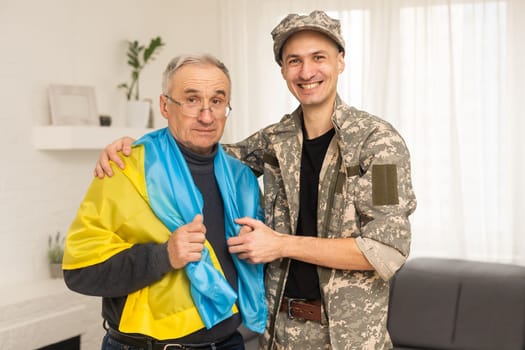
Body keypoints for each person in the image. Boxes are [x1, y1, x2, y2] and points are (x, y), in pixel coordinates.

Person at [94, 11, 417, 350]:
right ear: (283, 71)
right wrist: (135, 148)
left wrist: (281, 244)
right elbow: (200, 151)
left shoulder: (379, 144)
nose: (306, 72)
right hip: (279, 335)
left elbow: (386, 250)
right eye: (294, 61)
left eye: (318, 58)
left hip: (352, 339)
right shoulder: (274, 141)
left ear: (340, 62)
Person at [63, 54, 267, 350]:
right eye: (192, 100)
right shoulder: (125, 169)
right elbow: (79, 272)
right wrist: (164, 256)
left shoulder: (242, 178)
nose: (206, 116)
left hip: (229, 343)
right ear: (164, 106)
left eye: (217, 101)